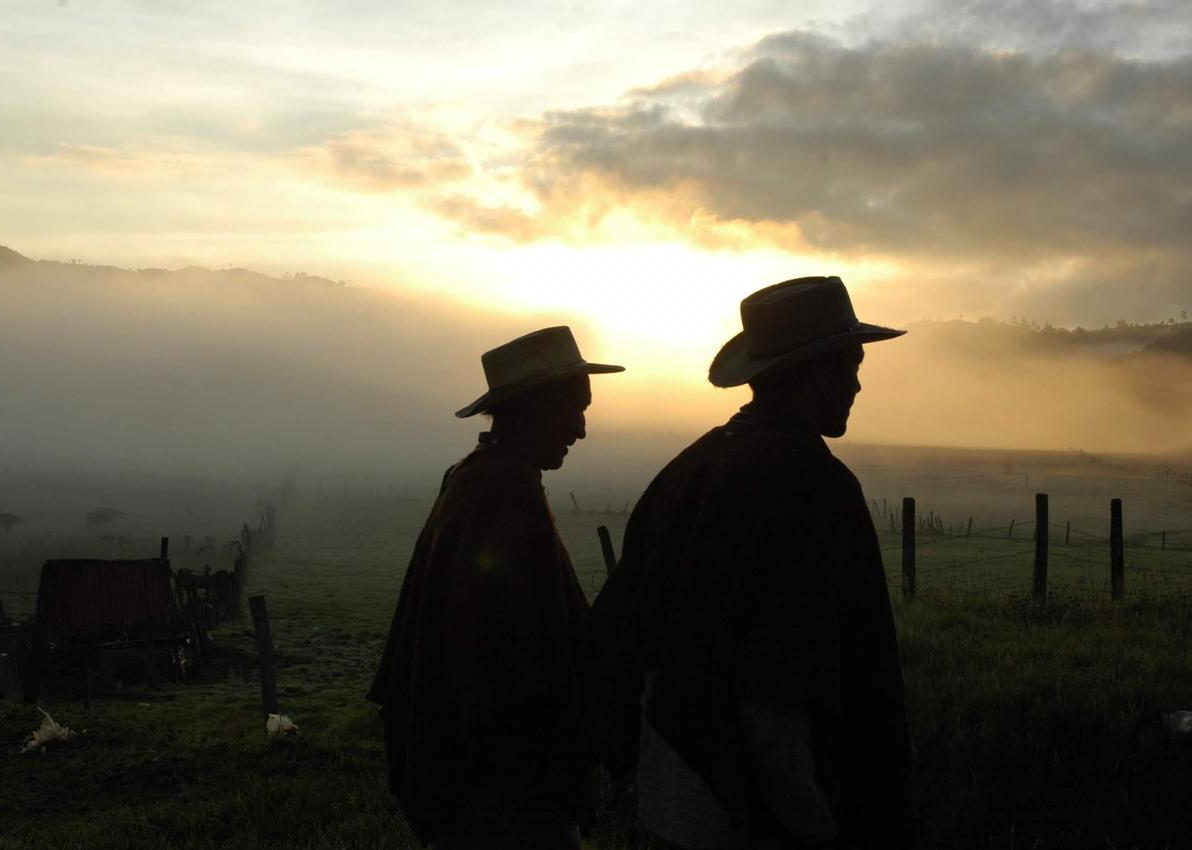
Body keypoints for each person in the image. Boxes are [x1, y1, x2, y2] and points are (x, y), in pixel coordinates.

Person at [591, 277, 915, 849]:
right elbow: (781, 689)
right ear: (813, 371)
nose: (858, 384)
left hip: (671, 797)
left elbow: (622, 634)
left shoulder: (684, 471)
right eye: (851, 365)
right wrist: (815, 820)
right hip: (763, 813)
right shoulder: (816, 488)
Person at [368, 325, 624, 849]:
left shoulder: (474, 477)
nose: (580, 430)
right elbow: (504, 657)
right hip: (500, 787)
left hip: (477, 776)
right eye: (573, 409)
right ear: (532, 408)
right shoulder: (504, 491)